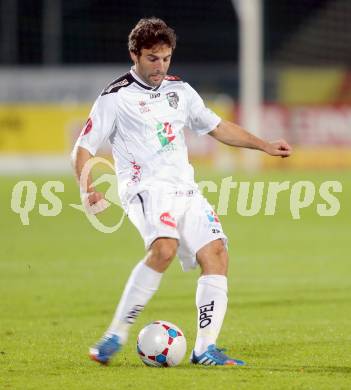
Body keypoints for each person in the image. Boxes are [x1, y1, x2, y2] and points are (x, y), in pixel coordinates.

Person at [72, 17, 292, 366]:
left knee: (217, 254)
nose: (160, 66)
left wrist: (264, 145)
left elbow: (217, 127)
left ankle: (205, 348)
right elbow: (82, 148)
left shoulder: (180, 91)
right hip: (145, 190)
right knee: (164, 249)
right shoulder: (115, 97)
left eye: (166, 58)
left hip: (185, 191)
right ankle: (114, 334)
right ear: (134, 55)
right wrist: (88, 189)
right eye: (152, 59)